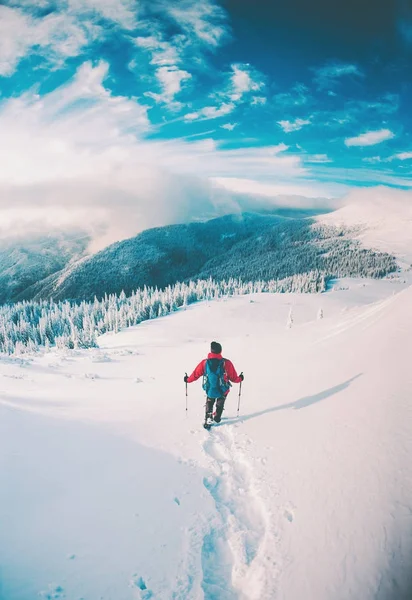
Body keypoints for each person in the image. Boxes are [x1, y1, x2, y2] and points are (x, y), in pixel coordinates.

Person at [184, 341, 243, 425]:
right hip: (223, 389)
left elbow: (195, 374)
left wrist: (187, 380)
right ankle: (217, 417)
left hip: (210, 389)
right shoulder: (226, 363)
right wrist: (240, 378)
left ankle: (208, 418)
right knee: (220, 402)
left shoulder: (205, 363)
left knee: (210, 402)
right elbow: (233, 378)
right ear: (220, 351)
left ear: (211, 351)